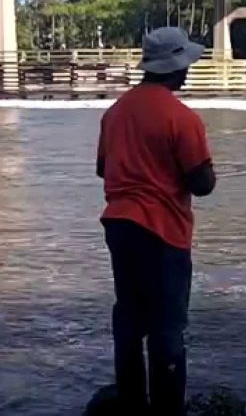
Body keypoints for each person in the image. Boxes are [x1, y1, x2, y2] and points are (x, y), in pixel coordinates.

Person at [96, 27, 217, 415]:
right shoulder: (183, 118)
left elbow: (103, 169)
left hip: (119, 227)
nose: (188, 72)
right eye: (186, 65)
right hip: (164, 232)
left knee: (130, 319)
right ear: (174, 67)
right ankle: (168, 410)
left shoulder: (114, 113)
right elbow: (203, 184)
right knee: (167, 327)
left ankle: (131, 404)